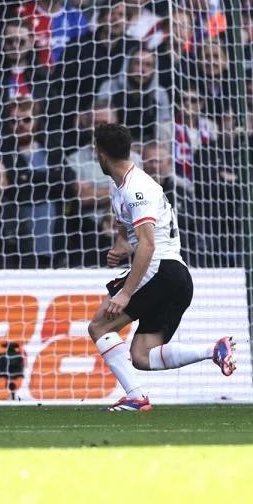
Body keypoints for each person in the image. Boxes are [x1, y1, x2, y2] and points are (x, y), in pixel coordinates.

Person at [86, 123, 236, 412]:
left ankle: (136, 397)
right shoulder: (121, 185)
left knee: (99, 326)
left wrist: (126, 293)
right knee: (142, 356)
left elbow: (147, 245)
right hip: (175, 276)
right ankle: (213, 350)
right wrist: (120, 245)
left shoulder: (137, 188)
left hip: (160, 270)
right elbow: (127, 227)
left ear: (101, 155)